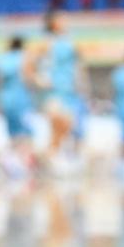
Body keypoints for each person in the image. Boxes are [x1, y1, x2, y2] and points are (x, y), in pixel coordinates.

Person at [25, 11, 83, 172]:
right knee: (59, 120)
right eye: (61, 19)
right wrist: (38, 79)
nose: (66, 21)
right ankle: (48, 156)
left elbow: (76, 66)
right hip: (52, 91)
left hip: (67, 90)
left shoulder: (69, 42)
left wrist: (79, 83)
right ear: (53, 23)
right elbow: (28, 65)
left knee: (66, 125)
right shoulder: (46, 43)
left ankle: (46, 155)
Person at [0, 36, 33, 175]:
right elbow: (28, 78)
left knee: (12, 133)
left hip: (6, 99)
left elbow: (0, 79)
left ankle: (8, 160)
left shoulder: (3, 59)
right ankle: (22, 165)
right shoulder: (24, 58)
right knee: (25, 134)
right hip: (21, 99)